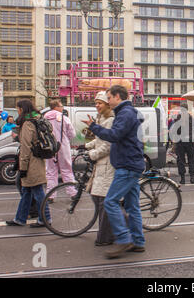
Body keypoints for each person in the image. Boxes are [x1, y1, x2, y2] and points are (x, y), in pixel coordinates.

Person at [83, 85, 146, 259]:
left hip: (127, 165)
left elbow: (114, 135)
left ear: (117, 96)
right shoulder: (127, 112)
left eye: (109, 97)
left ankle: (123, 239)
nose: (108, 100)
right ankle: (138, 242)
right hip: (131, 163)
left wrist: (94, 127)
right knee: (133, 207)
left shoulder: (124, 113)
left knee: (110, 202)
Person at [6, 99, 51, 228]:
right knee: (26, 191)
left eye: (18, 109)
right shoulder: (36, 119)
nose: (17, 111)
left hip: (31, 162)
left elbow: (25, 147)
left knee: (37, 191)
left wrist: (23, 167)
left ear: (22, 109)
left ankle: (46, 218)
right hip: (37, 159)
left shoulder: (27, 123)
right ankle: (20, 218)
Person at [83, 92, 115, 246]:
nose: (97, 105)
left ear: (107, 104)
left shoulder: (110, 120)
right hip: (101, 165)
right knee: (98, 197)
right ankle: (110, 233)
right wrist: (86, 146)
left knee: (104, 201)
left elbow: (108, 144)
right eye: (95, 103)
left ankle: (106, 237)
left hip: (108, 164)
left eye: (100, 103)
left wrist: (93, 154)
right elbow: (98, 139)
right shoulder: (101, 118)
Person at [44, 100, 76, 201]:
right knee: (67, 170)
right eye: (61, 106)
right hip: (63, 147)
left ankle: (50, 195)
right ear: (56, 107)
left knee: (50, 171)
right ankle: (73, 193)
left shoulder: (44, 118)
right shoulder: (64, 118)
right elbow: (72, 134)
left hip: (49, 148)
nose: (63, 108)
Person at [170, 108, 194, 185]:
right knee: (191, 159)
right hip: (189, 142)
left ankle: (182, 179)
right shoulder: (191, 119)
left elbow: (173, 131)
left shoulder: (177, 119)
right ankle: (192, 178)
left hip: (180, 142)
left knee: (180, 160)